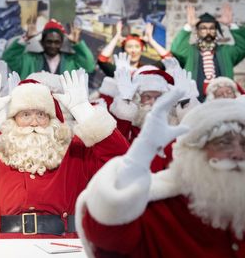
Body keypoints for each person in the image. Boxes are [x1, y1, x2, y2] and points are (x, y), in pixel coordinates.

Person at [0, 70, 129, 238]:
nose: (34, 122)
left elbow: (120, 163)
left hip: (62, 246)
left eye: (41, 115)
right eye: (25, 114)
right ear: (14, 120)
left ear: (52, 120)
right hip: (3, 246)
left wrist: (85, 112)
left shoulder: (73, 150)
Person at [76, 89, 245, 257]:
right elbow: (107, 235)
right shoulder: (162, 207)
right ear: (195, 151)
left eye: (244, 145)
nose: (238, 154)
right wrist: (141, 153)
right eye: (224, 143)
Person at [171, 3, 245, 101]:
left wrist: (231, 25)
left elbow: (242, 47)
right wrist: (189, 26)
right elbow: (177, 49)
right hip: (195, 101)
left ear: (216, 31)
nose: (208, 31)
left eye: (211, 28)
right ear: (197, 31)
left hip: (223, 100)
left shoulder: (225, 51)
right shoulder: (190, 52)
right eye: (203, 28)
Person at [2, 19, 95, 79]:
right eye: (49, 41)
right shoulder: (30, 59)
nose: (53, 45)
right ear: (42, 42)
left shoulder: (70, 61)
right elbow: (9, 58)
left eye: (57, 42)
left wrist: (77, 43)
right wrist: (26, 38)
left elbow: (89, 65)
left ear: (61, 43)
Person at [97, 21, 171, 77]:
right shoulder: (118, 71)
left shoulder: (147, 70)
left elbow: (170, 60)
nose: (133, 50)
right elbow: (102, 59)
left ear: (141, 50)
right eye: (129, 47)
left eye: (137, 47)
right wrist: (117, 36)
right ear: (124, 50)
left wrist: (151, 41)